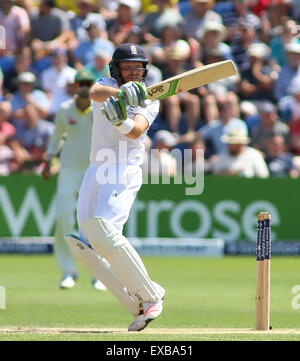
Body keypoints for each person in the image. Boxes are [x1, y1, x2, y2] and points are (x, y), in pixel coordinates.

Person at [65, 43, 165, 332]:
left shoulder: (151, 100)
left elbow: (136, 131)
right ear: (115, 69)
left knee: (105, 231)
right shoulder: (106, 84)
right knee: (86, 244)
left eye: (139, 68)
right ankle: (138, 305)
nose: (134, 72)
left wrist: (121, 120)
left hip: (123, 169)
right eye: (128, 67)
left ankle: (150, 296)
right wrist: (121, 94)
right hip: (96, 168)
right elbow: (92, 93)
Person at [42, 69, 106, 291]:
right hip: (68, 169)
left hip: (93, 169)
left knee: (97, 221)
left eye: (89, 83)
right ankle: (69, 270)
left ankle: (100, 272)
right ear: (74, 86)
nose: (85, 87)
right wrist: (49, 160)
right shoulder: (64, 109)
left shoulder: (99, 109)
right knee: (63, 218)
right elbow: (56, 137)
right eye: (81, 83)